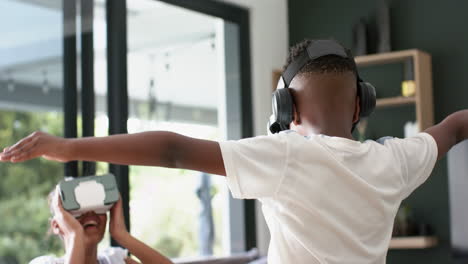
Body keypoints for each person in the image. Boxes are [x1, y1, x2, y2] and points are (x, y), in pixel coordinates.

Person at [1, 39, 466, 263]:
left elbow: (174, 151)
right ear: (362, 104)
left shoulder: (287, 154)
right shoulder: (396, 160)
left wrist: (66, 145)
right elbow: (455, 126)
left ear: (286, 111)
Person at [29, 186, 173, 264]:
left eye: (98, 206)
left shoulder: (114, 260)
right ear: (57, 225)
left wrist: (121, 234)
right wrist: (75, 235)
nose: (90, 213)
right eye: (77, 209)